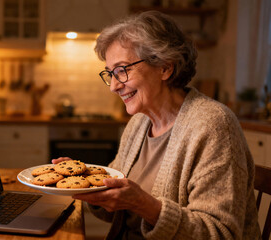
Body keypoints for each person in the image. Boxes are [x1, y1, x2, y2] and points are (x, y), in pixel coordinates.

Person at [52, 11, 261, 239]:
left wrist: (146, 205)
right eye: (110, 73)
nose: (113, 86)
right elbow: (116, 211)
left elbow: (221, 234)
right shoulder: (139, 123)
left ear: (164, 67)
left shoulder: (213, 125)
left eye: (122, 70)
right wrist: (88, 185)